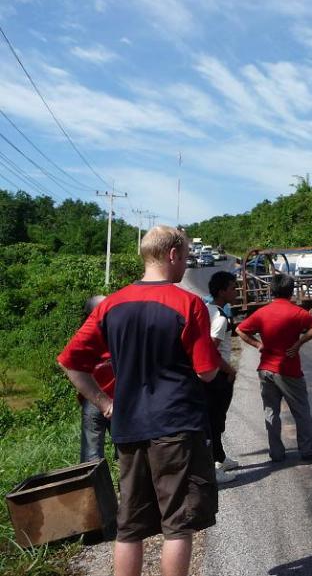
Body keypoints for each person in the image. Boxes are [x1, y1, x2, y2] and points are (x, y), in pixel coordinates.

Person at [57, 225, 220, 576]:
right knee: (177, 522)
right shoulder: (189, 304)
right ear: (173, 254)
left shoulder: (111, 305)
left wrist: (104, 403)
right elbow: (207, 373)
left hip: (128, 425)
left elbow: (70, 362)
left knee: (129, 524)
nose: (186, 264)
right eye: (186, 256)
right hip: (176, 425)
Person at [236, 274, 312, 463]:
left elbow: (240, 330)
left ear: (271, 291)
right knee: (301, 411)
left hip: (265, 369)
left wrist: (258, 344)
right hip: (288, 370)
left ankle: (276, 453)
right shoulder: (297, 312)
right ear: (291, 291)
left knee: (271, 412)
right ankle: (307, 450)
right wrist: (299, 342)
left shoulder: (262, 312)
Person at [205, 271, 240, 483]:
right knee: (215, 421)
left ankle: (220, 457)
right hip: (219, 376)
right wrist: (230, 371)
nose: (236, 292)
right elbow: (211, 352)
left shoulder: (207, 310)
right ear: (222, 291)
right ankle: (213, 468)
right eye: (233, 288)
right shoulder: (219, 318)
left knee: (215, 420)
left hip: (211, 376)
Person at [79, 295, 115, 463]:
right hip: (103, 400)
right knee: (125, 451)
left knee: (92, 453)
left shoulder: (82, 337)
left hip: (101, 399)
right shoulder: (115, 333)